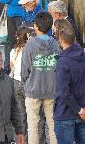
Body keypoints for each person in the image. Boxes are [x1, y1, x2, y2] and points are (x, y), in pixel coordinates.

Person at [21, 12, 60, 144]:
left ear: (35, 26)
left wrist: (26, 83)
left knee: (33, 125)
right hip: (52, 89)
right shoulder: (55, 44)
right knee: (53, 124)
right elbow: (58, 66)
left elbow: (24, 70)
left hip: (33, 89)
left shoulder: (30, 45)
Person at [54, 25, 85, 144]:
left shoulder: (63, 62)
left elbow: (64, 92)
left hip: (65, 113)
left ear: (61, 40)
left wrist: (79, 110)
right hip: (83, 114)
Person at [0, 0, 34, 71]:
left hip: (22, 15)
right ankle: (8, 66)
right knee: (10, 42)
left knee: (22, 41)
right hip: (10, 16)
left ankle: (21, 67)